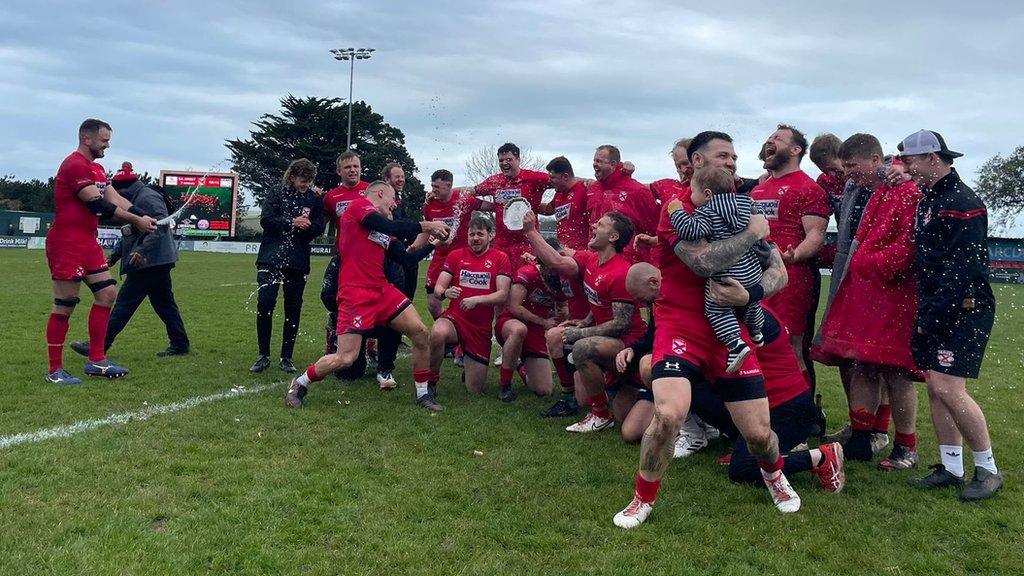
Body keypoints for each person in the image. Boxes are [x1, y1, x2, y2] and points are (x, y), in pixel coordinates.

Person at [612, 130, 797, 529]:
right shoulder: (676, 208)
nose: (732, 162)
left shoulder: (745, 205)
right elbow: (703, 263)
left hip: (731, 333)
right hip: (681, 326)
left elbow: (778, 273)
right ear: (696, 162)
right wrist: (751, 234)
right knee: (668, 414)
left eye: (734, 156)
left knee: (760, 435)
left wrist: (749, 292)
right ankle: (642, 499)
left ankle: (775, 474)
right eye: (722, 155)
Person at [619, 262, 845, 491]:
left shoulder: (730, 315)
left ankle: (821, 457)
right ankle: (704, 434)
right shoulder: (715, 308)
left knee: (742, 470)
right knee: (673, 373)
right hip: (759, 400)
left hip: (785, 409)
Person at [898, 130, 1002, 501]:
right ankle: (951, 466)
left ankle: (988, 468)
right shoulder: (929, 199)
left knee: (948, 388)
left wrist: (933, 317)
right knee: (936, 389)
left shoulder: (962, 201)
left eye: (910, 160)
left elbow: (965, 269)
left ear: (932, 158)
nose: (906, 167)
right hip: (937, 307)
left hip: (963, 308)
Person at [285, 181, 448, 410]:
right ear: (380, 193)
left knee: (420, 332)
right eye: (392, 200)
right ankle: (300, 383)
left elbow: (407, 259)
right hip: (355, 295)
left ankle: (423, 394)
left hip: (382, 290)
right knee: (345, 358)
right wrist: (427, 225)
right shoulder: (358, 206)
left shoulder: (382, 230)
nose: (394, 205)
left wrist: (435, 244)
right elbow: (389, 226)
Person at [814, 134, 923, 469]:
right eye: (844, 166)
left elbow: (909, 246)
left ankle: (905, 445)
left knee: (895, 370)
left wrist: (866, 263)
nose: (847, 172)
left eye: (852, 165)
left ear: (876, 160)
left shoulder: (908, 191)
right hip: (860, 290)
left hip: (891, 294)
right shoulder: (875, 190)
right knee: (858, 361)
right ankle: (863, 435)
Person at [44, 118, 157, 384]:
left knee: (107, 294)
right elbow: (97, 205)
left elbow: (115, 200)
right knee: (65, 305)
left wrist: (145, 216)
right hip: (67, 242)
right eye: (104, 140)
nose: (107, 145)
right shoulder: (74, 165)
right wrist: (135, 221)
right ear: (87, 138)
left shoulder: (96, 169)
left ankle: (97, 360)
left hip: (87, 242)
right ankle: (54, 370)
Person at [521, 209, 647, 433]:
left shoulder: (619, 271)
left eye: (600, 225)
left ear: (613, 237)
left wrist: (531, 231)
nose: (593, 227)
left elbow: (621, 324)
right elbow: (598, 302)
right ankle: (602, 400)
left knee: (581, 347)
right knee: (623, 415)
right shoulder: (591, 260)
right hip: (608, 341)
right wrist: (584, 321)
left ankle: (601, 414)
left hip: (628, 344)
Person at [70, 162, 189, 358]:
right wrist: (115, 256)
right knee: (164, 304)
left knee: (124, 303)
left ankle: (98, 345)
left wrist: (142, 250)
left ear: (122, 189)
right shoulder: (138, 197)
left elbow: (160, 226)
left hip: (149, 261)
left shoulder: (147, 197)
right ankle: (180, 343)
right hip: (156, 259)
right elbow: (130, 232)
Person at [750, 124, 830, 386]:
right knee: (755, 342)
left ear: (795, 150)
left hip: (791, 278)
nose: (770, 141)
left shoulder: (808, 188)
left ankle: (801, 416)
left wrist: (794, 255)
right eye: (770, 137)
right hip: (756, 276)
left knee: (791, 345)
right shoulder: (759, 190)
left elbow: (816, 234)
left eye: (778, 139)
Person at [666, 165, 765, 372]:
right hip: (752, 271)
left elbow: (689, 230)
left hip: (728, 273)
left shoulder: (707, 212)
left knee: (717, 309)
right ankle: (756, 330)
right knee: (750, 301)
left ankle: (735, 344)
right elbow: (761, 224)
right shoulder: (747, 204)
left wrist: (676, 211)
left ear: (707, 194)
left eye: (693, 192)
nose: (691, 196)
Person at [250, 158, 326, 374]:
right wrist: (291, 221)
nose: (306, 185)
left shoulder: (314, 199)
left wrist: (308, 226)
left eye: (309, 181)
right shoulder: (276, 192)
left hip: (298, 261)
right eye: (303, 180)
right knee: (265, 303)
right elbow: (266, 220)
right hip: (271, 257)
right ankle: (263, 354)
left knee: (293, 308)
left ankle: (287, 356)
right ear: (292, 177)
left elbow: (319, 226)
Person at [429, 215, 512, 395]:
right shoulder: (455, 255)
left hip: (479, 329)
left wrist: (478, 300)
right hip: (456, 318)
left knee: (475, 390)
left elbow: (503, 294)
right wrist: (445, 292)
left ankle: (468, 363)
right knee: (437, 331)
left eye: (480, 234)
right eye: (471, 234)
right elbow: (438, 288)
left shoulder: (500, 258)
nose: (475, 238)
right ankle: (431, 383)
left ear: (490, 235)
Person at [494, 238, 567, 401]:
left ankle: (519, 365)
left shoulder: (561, 278)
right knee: (519, 330)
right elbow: (514, 307)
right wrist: (545, 322)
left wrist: (563, 316)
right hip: (510, 323)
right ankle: (504, 385)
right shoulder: (528, 273)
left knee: (544, 390)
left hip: (536, 331)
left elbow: (563, 306)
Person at [320, 151, 371, 379]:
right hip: (342, 259)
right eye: (348, 167)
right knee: (334, 301)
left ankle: (368, 350)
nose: (353, 170)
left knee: (368, 304)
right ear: (339, 171)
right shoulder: (332, 197)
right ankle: (335, 344)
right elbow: (325, 221)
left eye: (356, 166)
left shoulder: (371, 191)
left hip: (368, 260)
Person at [375, 162, 421, 390]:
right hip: (384, 264)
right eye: (397, 177)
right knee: (387, 314)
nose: (401, 180)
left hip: (402, 261)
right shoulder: (377, 206)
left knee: (398, 312)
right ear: (385, 180)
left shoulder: (403, 200)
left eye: (403, 176)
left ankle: (385, 364)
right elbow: (396, 228)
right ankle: (372, 359)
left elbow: (407, 229)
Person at [470, 143, 552, 264]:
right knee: (499, 281)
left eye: (509, 159)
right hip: (501, 245)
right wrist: (449, 192)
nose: (504, 163)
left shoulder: (533, 178)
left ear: (518, 160)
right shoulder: (495, 181)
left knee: (523, 281)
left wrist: (586, 182)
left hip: (527, 243)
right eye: (501, 160)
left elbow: (561, 180)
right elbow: (471, 191)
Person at [419, 169, 486, 319]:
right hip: (440, 256)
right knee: (432, 304)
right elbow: (428, 228)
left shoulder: (464, 200)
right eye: (432, 186)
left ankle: (460, 333)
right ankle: (447, 329)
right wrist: (418, 245)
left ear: (449, 185)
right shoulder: (429, 204)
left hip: (462, 257)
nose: (433, 190)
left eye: (437, 187)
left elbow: (489, 206)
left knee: (462, 300)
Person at [585, 145, 659, 263]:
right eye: (594, 160)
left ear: (613, 164)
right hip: (596, 261)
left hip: (628, 264)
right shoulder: (593, 189)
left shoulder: (637, 191)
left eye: (599, 161)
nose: (594, 164)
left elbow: (655, 229)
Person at [536, 156, 590, 252]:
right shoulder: (559, 194)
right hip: (562, 249)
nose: (549, 181)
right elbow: (548, 209)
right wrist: (528, 205)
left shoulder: (584, 189)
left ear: (565, 176)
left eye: (552, 177)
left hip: (581, 251)